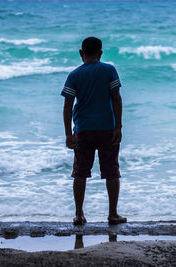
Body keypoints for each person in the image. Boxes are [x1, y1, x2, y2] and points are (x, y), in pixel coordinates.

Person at [61, 37, 126, 225]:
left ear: (81, 53)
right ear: (101, 53)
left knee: (80, 172)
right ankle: (113, 214)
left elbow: (67, 106)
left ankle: (79, 214)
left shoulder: (74, 75)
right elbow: (117, 99)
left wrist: (68, 133)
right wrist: (118, 127)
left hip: (83, 129)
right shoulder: (109, 70)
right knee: (112, 171)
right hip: (107, 128)